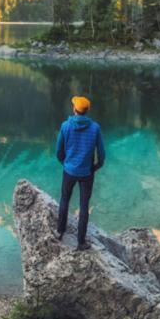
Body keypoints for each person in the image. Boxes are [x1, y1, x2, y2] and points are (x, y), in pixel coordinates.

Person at [55, 95, 106, 250]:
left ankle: (59, 232)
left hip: (69, 171)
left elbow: (59, 152)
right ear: (87, 111)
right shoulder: (95, 128)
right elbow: (102, 153)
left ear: (74, 109)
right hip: (87, 173)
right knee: (84, 206)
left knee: (64, 200)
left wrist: (66, 164)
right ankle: (81, 242)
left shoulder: (65, 126)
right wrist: (96, 167)